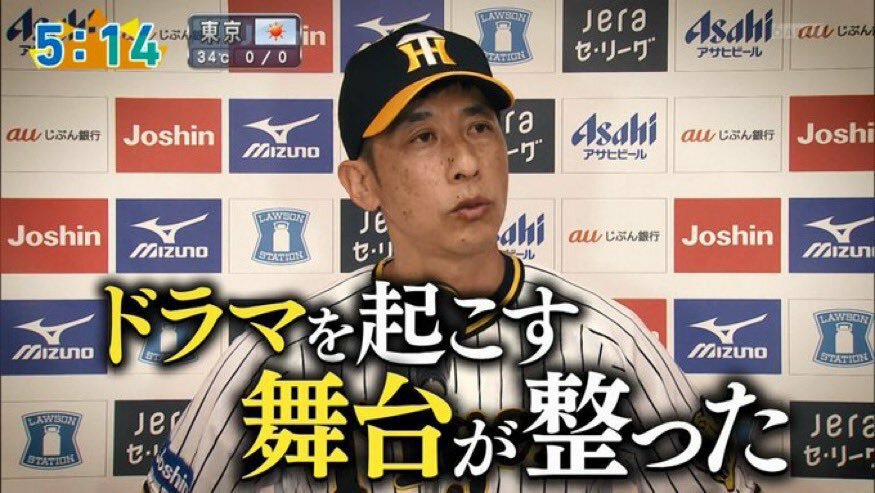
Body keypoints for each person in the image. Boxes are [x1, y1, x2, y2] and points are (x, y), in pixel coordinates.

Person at [145, 24, 759, 493]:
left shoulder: (606, 343)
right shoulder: (281, 353)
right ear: (362, 184)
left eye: (480, 128)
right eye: (423, 136)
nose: (465, 162)